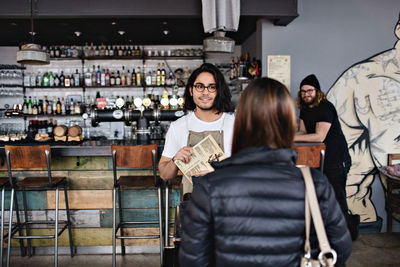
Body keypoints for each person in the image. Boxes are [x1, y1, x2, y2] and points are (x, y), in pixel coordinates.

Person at [180, 78, 352, 267]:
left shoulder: (209, 186)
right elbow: (340, 250)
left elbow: (193, 259)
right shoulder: (314, 184)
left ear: (241, 123)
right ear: (288, 125)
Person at [294, 74, 359, 240]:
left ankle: (347, 236)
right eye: (303, 91)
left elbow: (318, 136)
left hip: (337, 159)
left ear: (317, 91)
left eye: (310, 90)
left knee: (337, 199)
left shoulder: (325, 107)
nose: (306, 94)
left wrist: (290, 138)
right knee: (324, 198)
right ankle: (334, 234)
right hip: (321, 158)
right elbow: (303, 131)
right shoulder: (305, 108)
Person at [158, 63, 235, 193]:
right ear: (191, 90)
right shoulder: (178, 127)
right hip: (192, 205)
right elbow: (165, 175)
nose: (205, 92)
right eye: (200, 86)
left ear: (219, 91)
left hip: (227, 202)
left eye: (212, 87)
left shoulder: (235, 124)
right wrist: (175, 160)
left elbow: (250, 170)